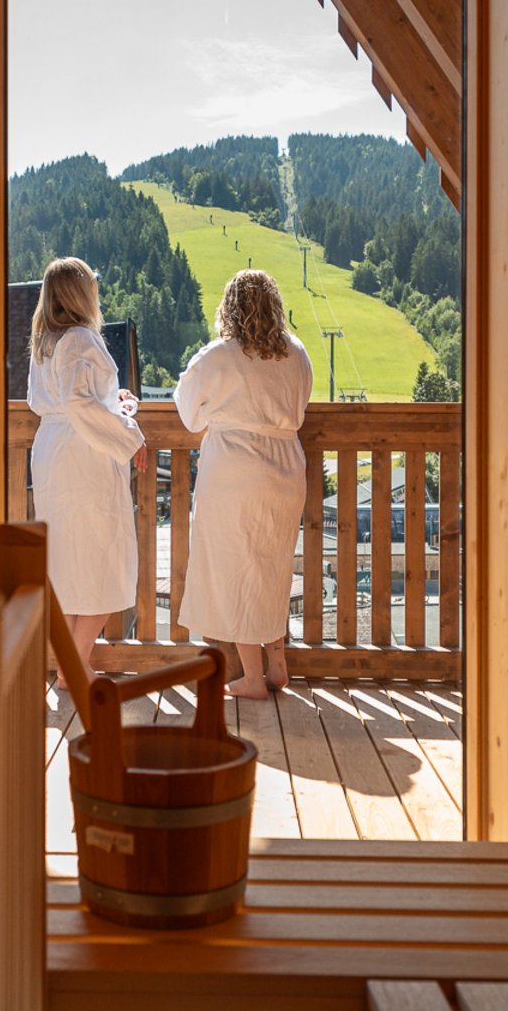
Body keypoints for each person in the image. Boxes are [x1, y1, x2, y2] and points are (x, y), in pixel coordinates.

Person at [175, 269, 313, 699]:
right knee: (271, 566)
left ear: (229, 307)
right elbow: (301, 405)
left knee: (237, 568)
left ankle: (253, 678)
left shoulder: (218, 355)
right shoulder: (297, 353)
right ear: (274, 305)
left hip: (234, 471)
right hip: (287, 469)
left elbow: (188, 412)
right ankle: (277, 663)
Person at [26, 257, 148, 679]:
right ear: (81, 295)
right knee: (100, 559)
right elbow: (80, 404)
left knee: (71, 562)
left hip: (53, 454)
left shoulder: (46, 342)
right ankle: (73, 667)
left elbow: (74, 400)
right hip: (82, 458)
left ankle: (69, 666)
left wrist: (116, 403)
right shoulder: (80, 338)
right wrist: (131, 437)